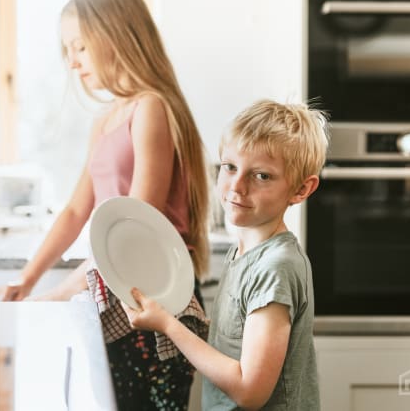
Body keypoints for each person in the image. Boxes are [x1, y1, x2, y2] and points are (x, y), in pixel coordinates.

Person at [0, 0, 210, 410]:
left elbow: (137, 229)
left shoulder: (151, 108)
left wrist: (63, 293)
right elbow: (77, 209)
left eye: (79, 46)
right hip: (118, 294)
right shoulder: (109, 118)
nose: (73, 63)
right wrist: (28, 277)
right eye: (67, 51)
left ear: (115, 34)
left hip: (154, 299)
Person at [124, 99, 329, 410]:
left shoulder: (276, 268)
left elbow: (249, 391)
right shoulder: (244, 251)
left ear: (301, 189)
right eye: (230, 167)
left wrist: (168, 325)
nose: (236, 186)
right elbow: (238, 340)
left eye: (261, 176)